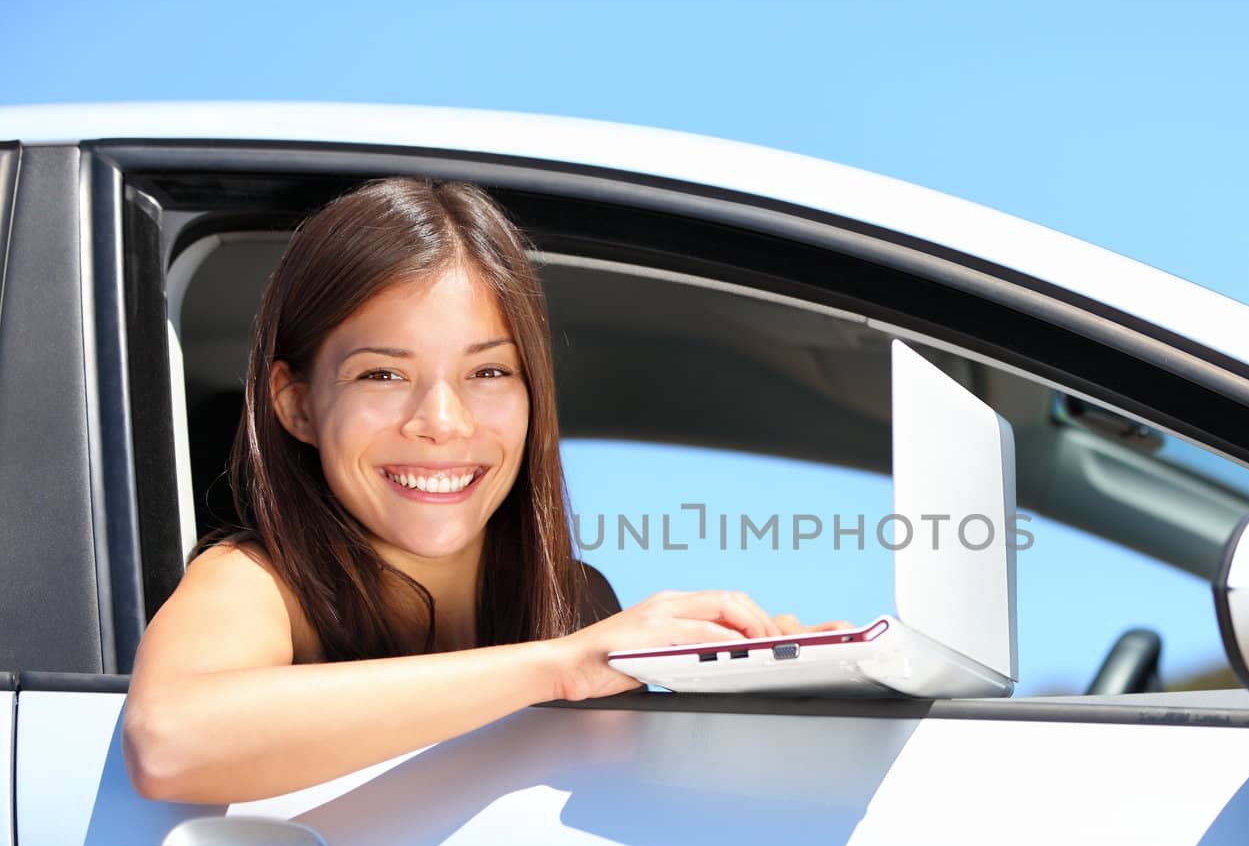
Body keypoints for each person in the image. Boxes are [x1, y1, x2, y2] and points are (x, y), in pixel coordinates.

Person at [124, 177, 849, 805]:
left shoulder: (573, 596)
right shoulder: (253, 583)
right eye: (382, 374)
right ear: (297, 405)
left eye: (490, 372)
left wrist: (760, 691)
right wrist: (559, 667)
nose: (442, 422)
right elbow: (168, 742)